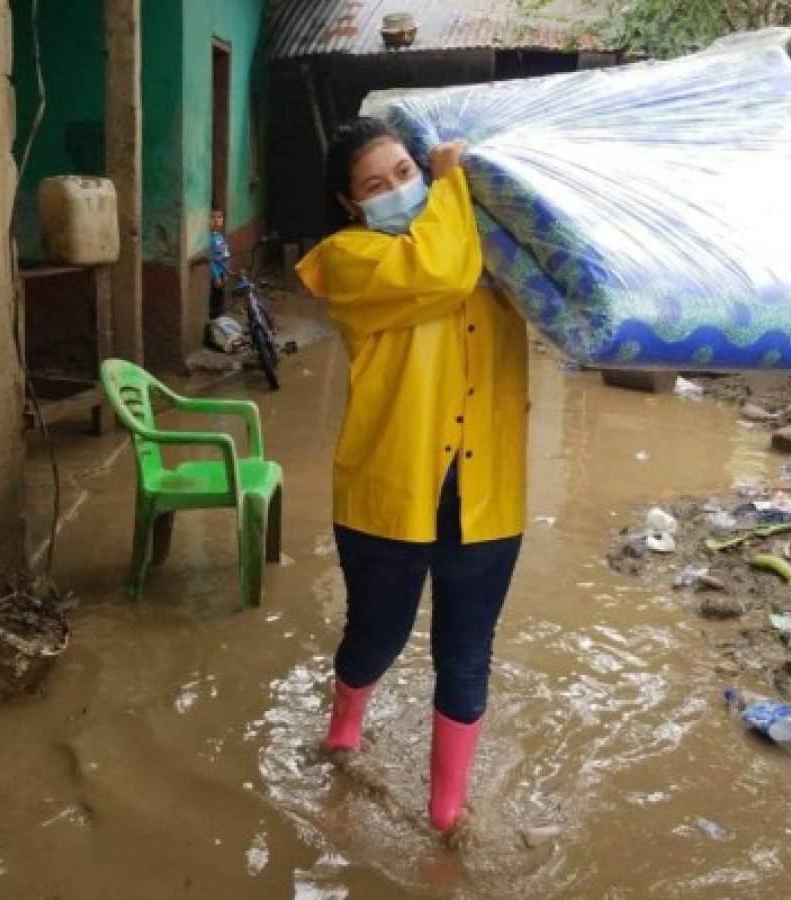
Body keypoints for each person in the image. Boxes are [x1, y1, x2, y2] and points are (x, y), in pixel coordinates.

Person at [296, 118, 529, 837]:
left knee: (465, 656)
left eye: (405, 172)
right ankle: (343, 730)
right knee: (377, 636)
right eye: (375, 184)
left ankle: (446, 816)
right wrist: (452, 179)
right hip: (387, 492)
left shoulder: (486, 249)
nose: (397, 190)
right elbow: (438, 271)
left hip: (486, 492)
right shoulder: (350, 259)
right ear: (348, 204)